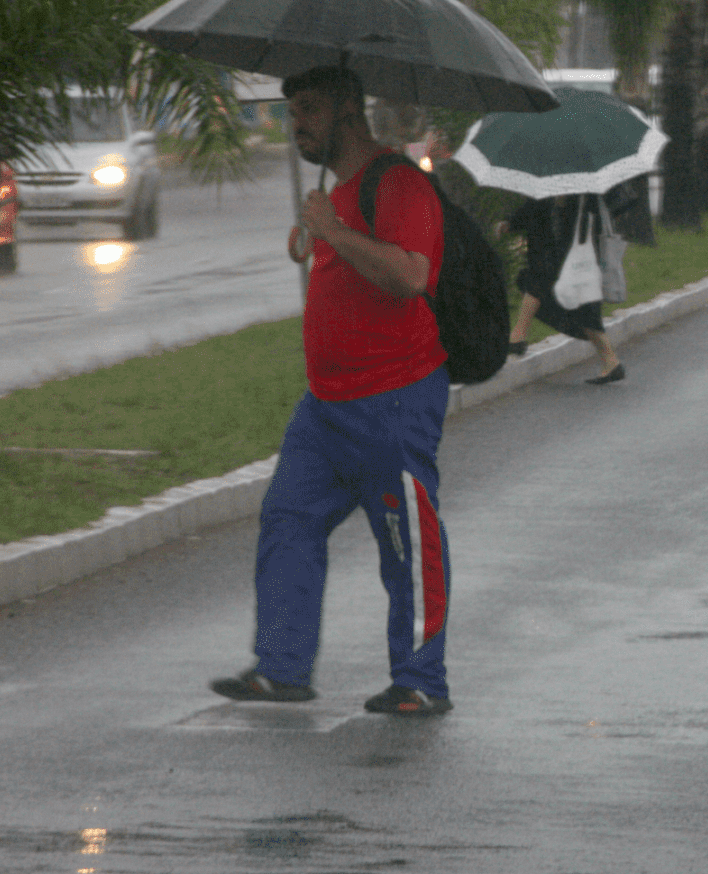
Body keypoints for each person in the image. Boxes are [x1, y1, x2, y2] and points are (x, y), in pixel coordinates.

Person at [211, 64, 455, 716]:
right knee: (288, 519)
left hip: (394, 399)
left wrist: (339, 233)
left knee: (406, 540)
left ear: (350, 110)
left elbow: (409, 275)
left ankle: (421, 681)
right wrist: (321, 229)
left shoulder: (397, 184)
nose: (298, 127)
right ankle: (281, 666)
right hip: (327, 405)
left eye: (310, 111)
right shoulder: (336, 192)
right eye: (293, 115)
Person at [502, 194, 625, 385]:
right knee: (535, 283)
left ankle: (611, 361)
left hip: (579, 258)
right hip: (555, 258)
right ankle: (517, 337)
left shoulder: (585, 193)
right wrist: (513, 222)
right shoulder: (548, 191)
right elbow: (534, 209)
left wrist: (564, 204)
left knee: (584, 309)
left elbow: (598, 216)